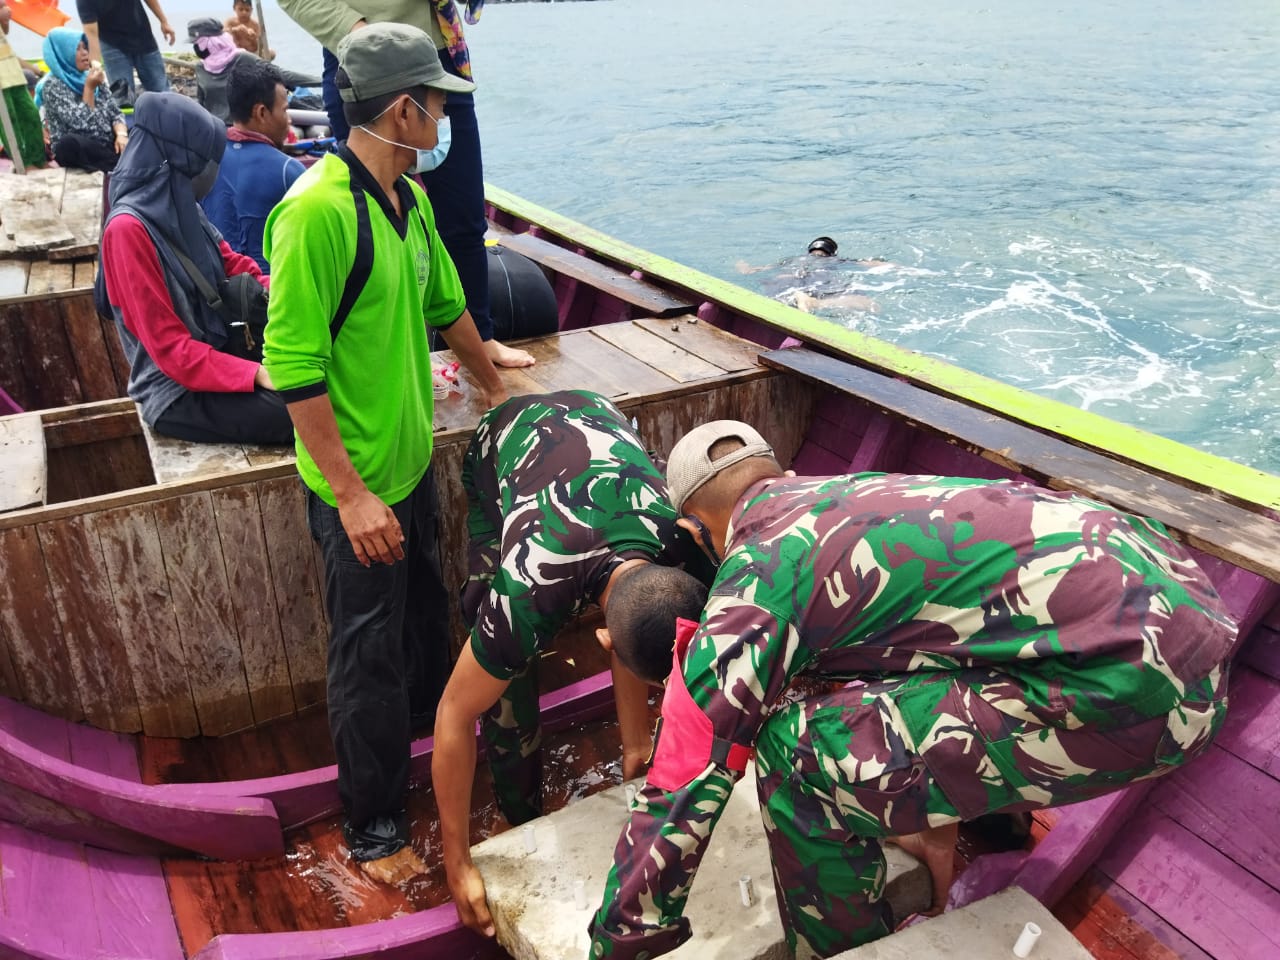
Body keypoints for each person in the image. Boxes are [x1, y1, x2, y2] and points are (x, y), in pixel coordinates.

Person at [588, 421, 1237, 959]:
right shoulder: (856, 492)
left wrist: (621, 934)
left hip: (1148, 693)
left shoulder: (757, 572)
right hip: (1187, 608)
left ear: (702, 531)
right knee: (862, 679)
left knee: (792, 753)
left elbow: (687, 764)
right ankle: (976, 820)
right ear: (778, 474)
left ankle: (840, 948)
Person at [261, 22, 508, 886]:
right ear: (404, 110)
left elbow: (449, 306)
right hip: (356, 488)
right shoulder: (317, 213)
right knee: (363, 659)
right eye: (437, 102)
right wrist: (352, 495)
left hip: (406, 473)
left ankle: (436, 764)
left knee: (422, 632)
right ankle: (372, 828)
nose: (444, 116)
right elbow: (291, 370)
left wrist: (501, 391)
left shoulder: (408, 201)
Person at [432, 389, 708, 936]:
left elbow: (646, 617)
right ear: (602, 641)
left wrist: (637, 750)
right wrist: (456, 861)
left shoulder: (685, 540)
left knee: (641, 619)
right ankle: (520, 808)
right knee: (497, 673)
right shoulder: (528, 587)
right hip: (500, 443)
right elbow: (452, 715)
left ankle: (626, 751)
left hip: (594, 409)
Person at [278, 0, 537, 370]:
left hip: (440, 53)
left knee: (464, 216)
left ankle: (480, 338)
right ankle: (387, 351)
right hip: (366, 57)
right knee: (370, 218)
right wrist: (360, 31)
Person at [97, 92, 293, 445]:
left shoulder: (180, 200)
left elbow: (231, 262)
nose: (210, 174)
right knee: (298, 413)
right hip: (174, 390)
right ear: (178, 160)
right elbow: (171, 350)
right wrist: (257, 373)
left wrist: (283, 288)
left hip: (219, 348)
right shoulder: (127, 231)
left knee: (317, 376)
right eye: (204, 163)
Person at [202, 57, 305, 271]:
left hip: (216, 289)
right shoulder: (289, 171)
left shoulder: (203, 160)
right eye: (285, 110)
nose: (289, 120)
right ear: (261, 113)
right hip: (269, 294)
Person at [188, 17, 319, 126]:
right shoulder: (201, 68)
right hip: (215, 128)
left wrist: (322, 81)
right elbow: (202, 101)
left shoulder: (243, 59)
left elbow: (281, 75)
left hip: (240, 128)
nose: (196, 48)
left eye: (198, 43)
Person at [35, 29, 128, 173]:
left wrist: (122, 135)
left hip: (109, 143)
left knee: (144, 127)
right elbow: (82, 124)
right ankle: (125, 164)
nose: (85, 53)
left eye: (85, 47)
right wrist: (89, 89)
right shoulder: (52, 85)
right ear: (63, 53)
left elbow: (116, 113)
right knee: (68, 144)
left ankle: (124, 161)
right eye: (77, 49)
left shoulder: (92, 75)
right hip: (83, 147)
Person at [737, 236, 882, 315]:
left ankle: (798, 299)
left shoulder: (792, 259)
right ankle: (814, 303)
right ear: (832, 252)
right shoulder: (834, 260)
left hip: (786, 280)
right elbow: (870, 264)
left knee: (782, 296)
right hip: (818, 280)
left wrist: (742, 264)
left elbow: (750, 271)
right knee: (868, 303)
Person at [77, 0, 174, 105]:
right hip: (112, 45)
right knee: (123, 99)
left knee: (163, 93)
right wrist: (95, 67)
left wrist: (164, 21)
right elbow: (91, 35)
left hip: (143, 37)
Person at [0, 1, 46, 168]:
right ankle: (22, 164)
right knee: (9, 122)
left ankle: (38, 159)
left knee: (31, 114)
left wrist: (5, 20)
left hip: (13, 74)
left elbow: (4, 35)